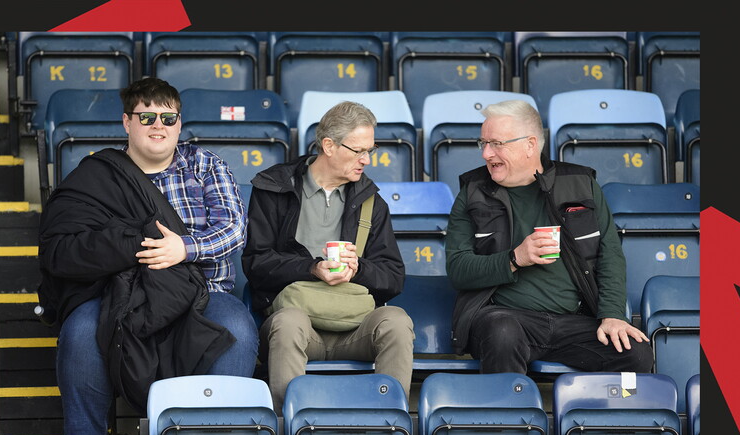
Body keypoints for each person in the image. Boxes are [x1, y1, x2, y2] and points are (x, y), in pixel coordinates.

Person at [37, 77, 258, 435]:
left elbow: (234, 230)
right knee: (82, 331)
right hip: (119, 294)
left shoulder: (206, 165)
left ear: (179, 123)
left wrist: (183, 249)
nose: (158, 125)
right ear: (127, 122)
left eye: (168, 117)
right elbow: (72, 243)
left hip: (202, 292)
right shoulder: (99, 174)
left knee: (238, 331)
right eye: (147, 116)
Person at [445, 99, 653, 376]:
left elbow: (610, 255)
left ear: (530, 144)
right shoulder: (472, 192)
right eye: (482, 143)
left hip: (575, 320)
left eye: (496, 143)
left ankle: (610, 417)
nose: (486, 154)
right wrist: (514, 259)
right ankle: (509, 414)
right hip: (503, 316)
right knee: (502, 330)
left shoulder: (581, 184)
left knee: (636, 352)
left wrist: (613, 314)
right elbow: (458, 270)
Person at [242, 101, 414, 413]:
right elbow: (256, 264)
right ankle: (288, 431)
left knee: (397, 322)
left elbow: (393, 277)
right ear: (329, 146)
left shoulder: (371, 203)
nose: (366, 160)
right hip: (298, 323)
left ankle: (390, 426)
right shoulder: (275, 189)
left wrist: (358, 268)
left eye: (370, 151)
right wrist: (312, 268)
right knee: (289, 323)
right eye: (358, 150)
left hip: (355, 326)